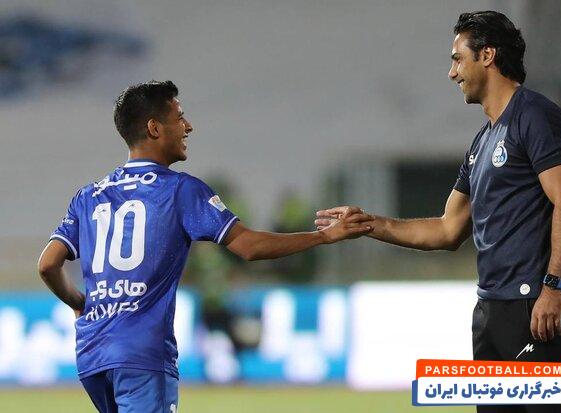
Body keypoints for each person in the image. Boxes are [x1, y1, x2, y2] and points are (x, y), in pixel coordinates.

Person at [37, 80, 371, 413]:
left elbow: (48, 265)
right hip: (142, 353)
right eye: (179, 117)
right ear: (154, 128)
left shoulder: (88, 196)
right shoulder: (180, 190)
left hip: (93, 353)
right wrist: (323, 236)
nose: (188, 126)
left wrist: (79, 303)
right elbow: (249, 246)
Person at [316, 11, 561, 413]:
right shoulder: (481, 143)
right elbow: (447, 229)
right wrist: (368, 223)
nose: (452, 72)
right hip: (492, 310)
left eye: (458, 59)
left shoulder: (538, 116)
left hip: (537, 307)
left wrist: (554, 287)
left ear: (487, 55)